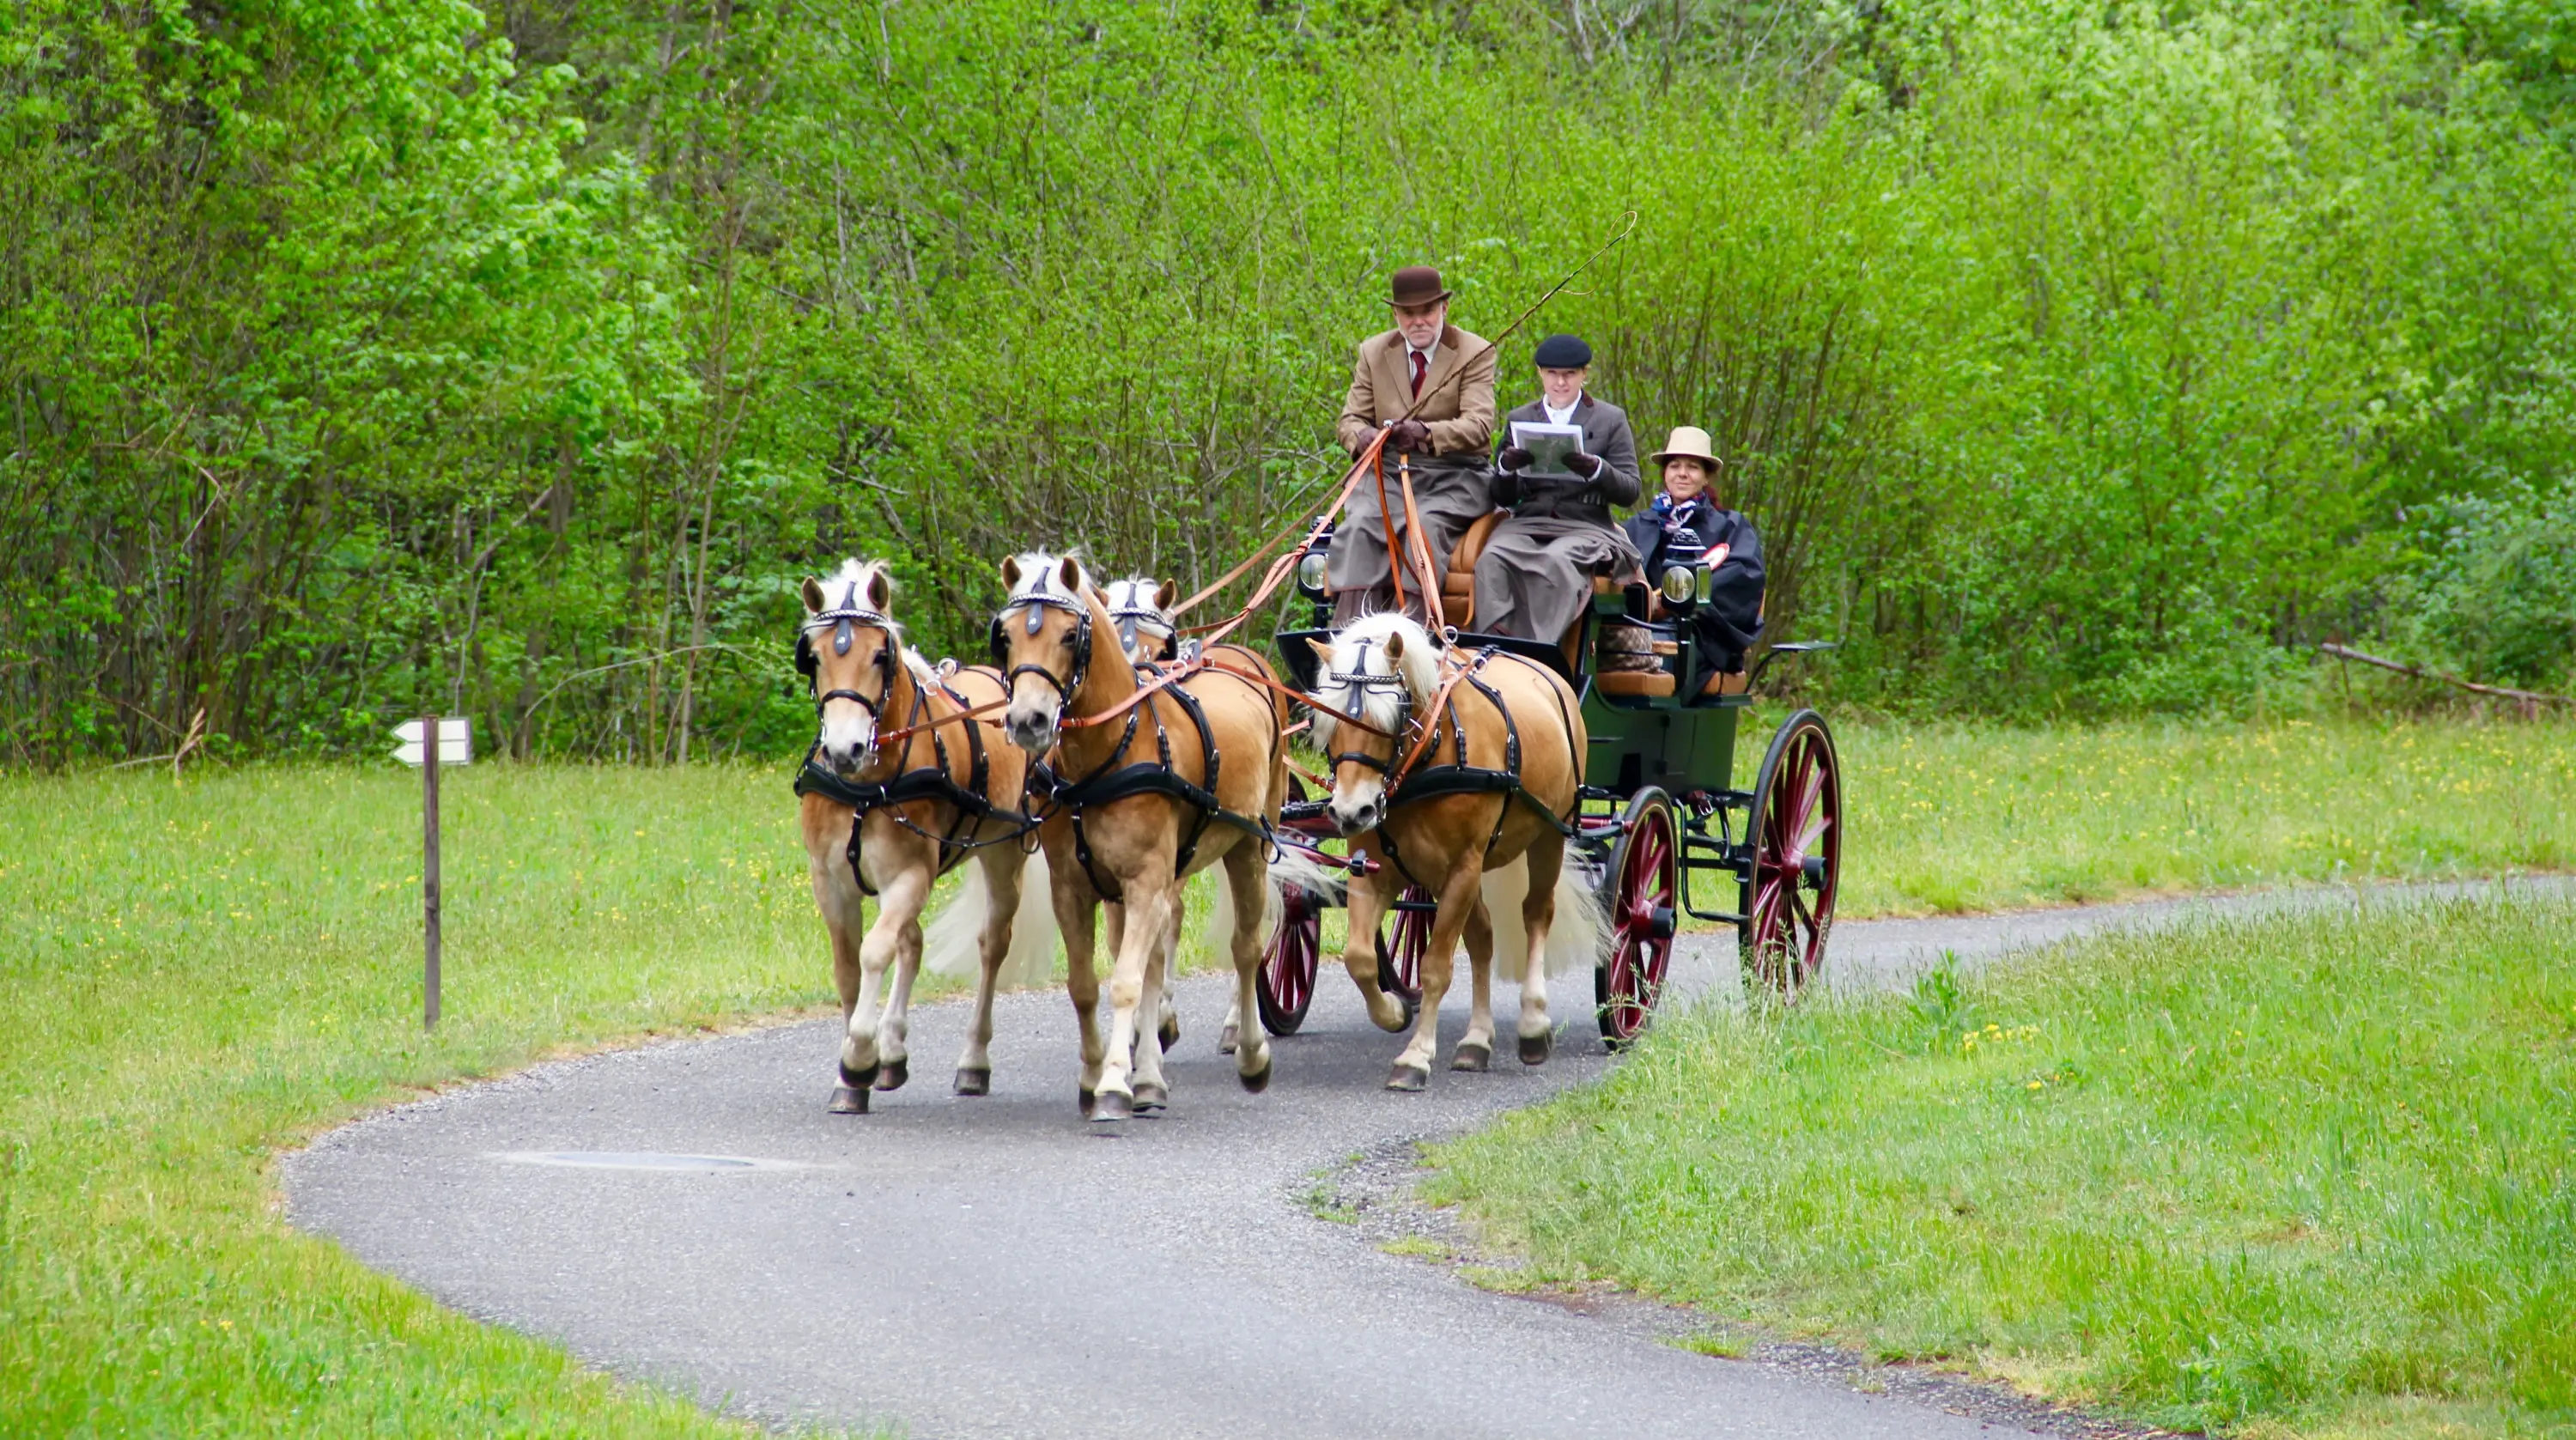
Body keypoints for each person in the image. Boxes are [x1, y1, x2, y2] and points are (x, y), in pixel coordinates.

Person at [1327, 265, 1498, 624]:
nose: (1418, 321)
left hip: (1453, 477)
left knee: (1424, 529)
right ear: (1396, 315)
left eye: (1427, 311)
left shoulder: (1475, 351)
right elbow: (1349, 420)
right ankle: (1350, 637)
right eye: (1408, 313)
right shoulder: (1374, 352)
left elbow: (1480, 426)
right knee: (1358, 527)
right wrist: (1362, 437)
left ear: (1444, 310)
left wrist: (1426, 433)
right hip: (1387, 473)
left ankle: (1412, 635)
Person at [1472, 333, 1643, 641]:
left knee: (1556, 563)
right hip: (1527, 523)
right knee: (1492, 558)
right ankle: (1494, 643)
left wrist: (1597, 470)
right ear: (1540, 373)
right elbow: (1503, 496)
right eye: (1552, 373)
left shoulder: (1609, 419)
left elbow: (1630, 490)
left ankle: (1540, 649)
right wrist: (1506, 468)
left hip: (1585, 526)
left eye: (1569, 375)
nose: (1560, 383)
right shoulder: (1520, 418)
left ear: (1584, 375)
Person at [1621, 426, 1765, 676]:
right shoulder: (1637, 525)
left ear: (1706, 477)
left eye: (1693, 467)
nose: (1683, 474)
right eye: (1675, 466)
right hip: (1636, 626)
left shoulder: (1730, 526)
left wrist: (1675, 599)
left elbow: (1743, 577)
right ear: (1665, 473)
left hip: (1701, 636)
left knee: (1659, 651)